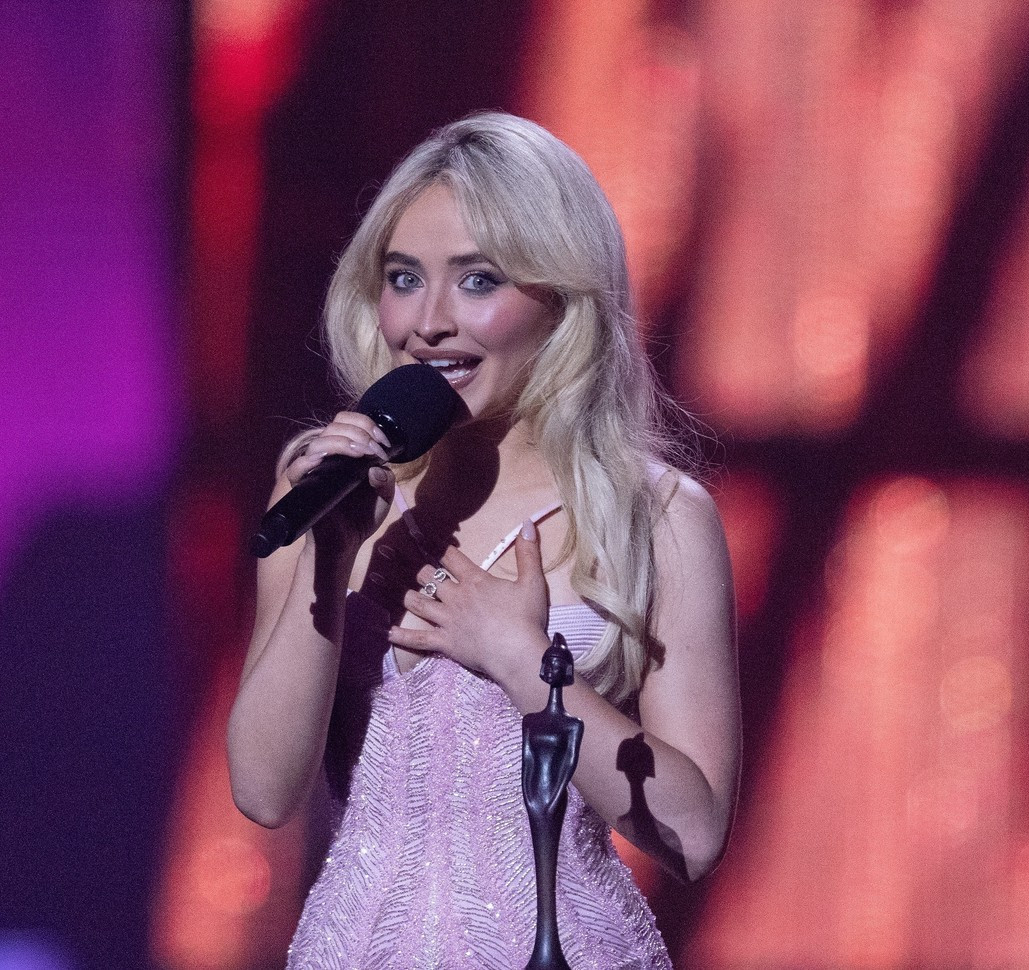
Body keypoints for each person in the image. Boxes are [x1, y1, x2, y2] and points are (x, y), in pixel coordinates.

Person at [226, 112, 741, 969]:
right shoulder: (326, 489)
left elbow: (695, 831)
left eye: (477, 281)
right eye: (403, 278)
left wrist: (523, 661)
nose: (428, 321)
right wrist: (329, 559)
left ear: (561, 298)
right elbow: (263, 791)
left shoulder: (656, 517)